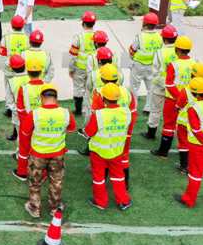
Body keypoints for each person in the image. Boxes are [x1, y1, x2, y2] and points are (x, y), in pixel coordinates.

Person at [20, 84, 76, 218]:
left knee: (35, 182)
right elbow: (71, 129)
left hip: (38, 156)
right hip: (57, 155)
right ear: (56, 97)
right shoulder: (65, 113)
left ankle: (35, 208)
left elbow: (25, 132)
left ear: (41, 97)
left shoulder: (34, 114)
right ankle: (55, 208)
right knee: (56, 182)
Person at [174, 78, 203, 208]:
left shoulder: (194, 108)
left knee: (195, 173)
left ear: (197, 94)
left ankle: (189, 200)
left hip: (198, 145)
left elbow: (195, 130)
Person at [85, 83, 133, 211]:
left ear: (104, 99)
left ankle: (101, 202)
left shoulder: (99, 114)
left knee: (98, 177)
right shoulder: (127, 112)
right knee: (118, 175)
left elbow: (89, 132)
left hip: (98, 152)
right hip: (117, 151)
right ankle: (123, 201)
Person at [151, 36, 196, 159]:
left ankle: (163, 151)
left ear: (177, 50)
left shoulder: (173, 65)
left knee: (169, 126)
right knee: (186, 125)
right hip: (190, 101)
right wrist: (186, 99)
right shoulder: (194, 63)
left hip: (173, 100)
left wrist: (180, 98)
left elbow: (170, 86)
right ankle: (186, 153)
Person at [142, 25, 179, 141]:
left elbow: (155, 73)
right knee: (173, 113)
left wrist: (165, 86)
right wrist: (171, 87)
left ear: (164, 39)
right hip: (174, 90)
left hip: (159, 88)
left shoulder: (159, 53)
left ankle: (151, 134)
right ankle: (170, 134)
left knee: (155, 110)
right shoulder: (180, 52)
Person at [174, 63, 203, 175]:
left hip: (184, 123)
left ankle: (184, 166)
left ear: (193, 75)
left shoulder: (187, 90)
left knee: (183, 144)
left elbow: (179, 105)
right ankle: (194, 166)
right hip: (202, 122)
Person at [13, 58, 45, 180]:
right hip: (42, 124)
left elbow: (20, 109)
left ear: (28, 73)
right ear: (41, 72)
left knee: (24, 149)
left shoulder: (24, 88)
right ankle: (42, 173)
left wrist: (26, 124)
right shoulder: (46, 87)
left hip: (27, 124)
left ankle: (22, 172)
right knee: (42, 148)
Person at [128, 12, 162, 116]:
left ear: (145, 24)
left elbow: (131, 51)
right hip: (152, 66)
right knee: (151, 88)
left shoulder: (139, 37)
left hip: (138, 65)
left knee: (134, 88)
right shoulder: (159, 37)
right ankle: (148, 109)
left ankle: (133, 108)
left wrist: (132, 59)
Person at [68, 11, 98, 118]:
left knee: (78, 89)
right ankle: (90, 109)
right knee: (91, 89)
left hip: (80, 68)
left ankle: (78, 111)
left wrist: (71, 68)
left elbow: (72, 55)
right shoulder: (98, 36)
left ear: (83, 23)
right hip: (93, 68)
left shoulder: (78, 37)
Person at [0, 16, 29, 106]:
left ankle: (9, 108)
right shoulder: (27, 39)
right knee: (22, 90)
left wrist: (11, 65)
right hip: (23, 71)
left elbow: (3, 55)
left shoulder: (6, 38)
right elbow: (28, 55)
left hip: (9, 71)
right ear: (22, 26)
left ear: (12, 26)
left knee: (9, 90)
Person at [5, 55, 29, 141]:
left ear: (12, 69)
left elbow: (9, 102)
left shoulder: (11, 82)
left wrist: (19, 112)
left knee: (21, 138)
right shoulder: (32, 77)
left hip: (18, 115)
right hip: (33, 113)